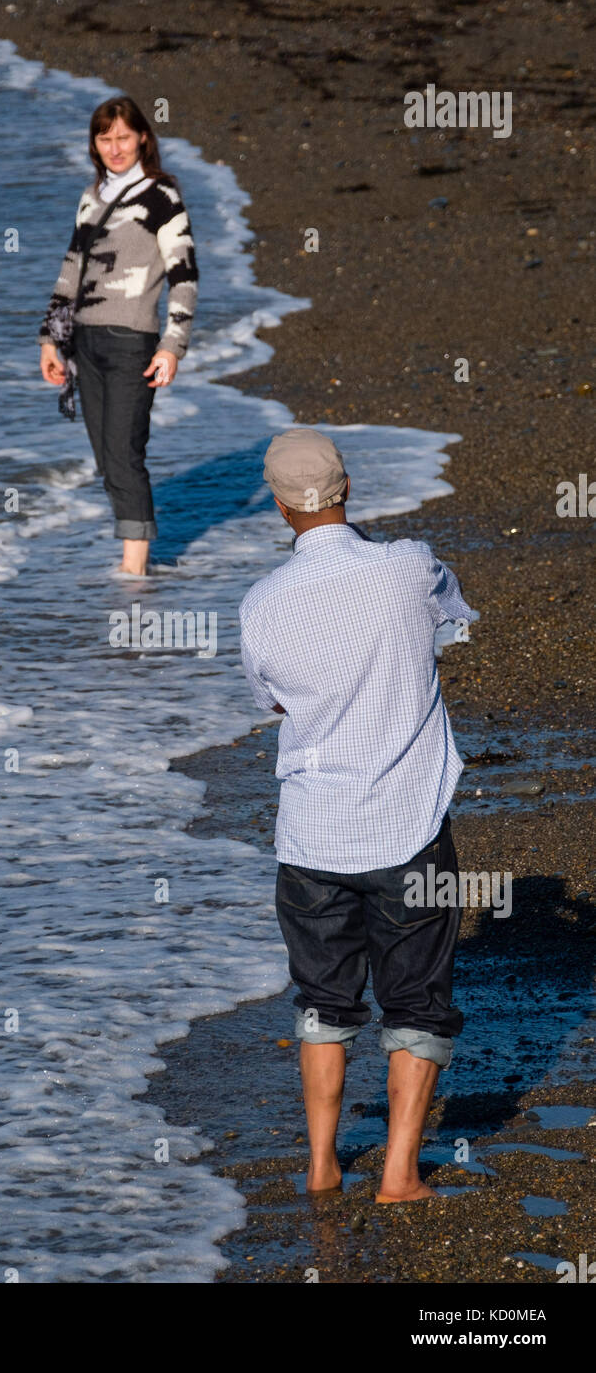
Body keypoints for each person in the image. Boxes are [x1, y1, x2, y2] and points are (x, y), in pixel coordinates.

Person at [238, 427, 477, 1203]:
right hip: (407, 824)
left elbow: (270, 698)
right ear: (348, 490)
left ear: (279, 508)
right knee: (417, 1003)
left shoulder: (262, 604)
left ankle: (321, 1166)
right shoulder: (406, 566)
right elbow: (454, 613)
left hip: (311, 832)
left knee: (323, 1001)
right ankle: (401, 1174)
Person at [39, 95, 199, 576]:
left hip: (134, 344)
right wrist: (50, 340)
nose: (114, 148)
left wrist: (173, 346)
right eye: (104, 138)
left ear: (143, 138)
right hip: (85, 344)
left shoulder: (162, 198)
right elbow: (70, 271)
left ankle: (133, 573)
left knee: (126, 452)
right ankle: (136, 561)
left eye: (123, 137)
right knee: (106, 459)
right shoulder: (91, 199)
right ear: (94, 143)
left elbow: (185, 277)